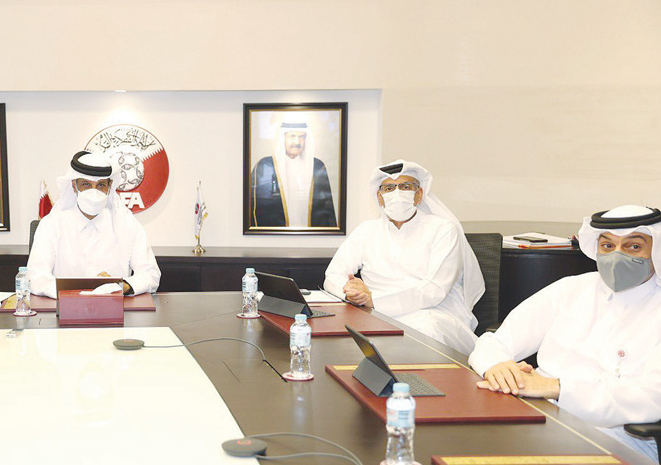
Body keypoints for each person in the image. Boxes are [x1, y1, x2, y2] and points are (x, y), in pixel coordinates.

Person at [469, 205, 661, 461]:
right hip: (536, 412)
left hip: (616, 438)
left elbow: (649, 397)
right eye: (607, 246)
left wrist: (557, 388)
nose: (616, 255)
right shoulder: (571, 289)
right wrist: (499, 368)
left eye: (633, 247)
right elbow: (496, 341)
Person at [323, 160, 484, 354]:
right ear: (380, 198)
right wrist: (350, 292)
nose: (397, 194)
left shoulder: (443, 229)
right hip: (374, 313)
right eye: (389, 188)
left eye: (405, 187)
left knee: (426, 329)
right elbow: (333, 275)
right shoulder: (366, 230)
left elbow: (434, 290)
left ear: (419, 194)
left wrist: (374, 300)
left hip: (431, 313)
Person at [27, 151, 161, 299]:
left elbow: (151, 274)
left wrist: (123, 286)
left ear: (110, 186)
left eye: (101, 185)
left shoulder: (127, 224)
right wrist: (80, 291)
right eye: (86, 184)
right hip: (65, 311)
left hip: (114, 312)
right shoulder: (51, 225)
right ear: (74, 185)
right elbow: (35, 276)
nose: (94, 191)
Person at [250, 120, 337, 228]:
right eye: (292, 136)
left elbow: (326, 207)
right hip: (274, 237)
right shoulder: (265, 165)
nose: (297, 141)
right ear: (283, 138)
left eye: (301, 137)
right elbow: (254, 206)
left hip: (312, 238)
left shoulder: (318, 166)